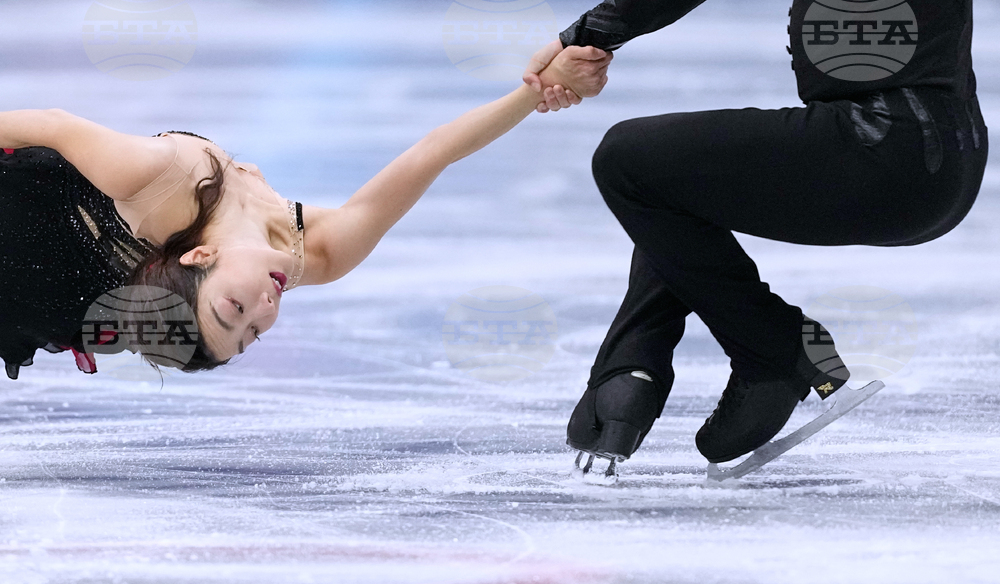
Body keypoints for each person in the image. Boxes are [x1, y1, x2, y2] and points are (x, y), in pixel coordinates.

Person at [522, 0, 988, 466]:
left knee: (627, 161)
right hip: (943, 159)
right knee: (681, 173)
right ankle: (630, 374)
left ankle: (774, 350)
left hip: (882, 149)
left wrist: (580, 39)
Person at [0, 46, 613, 381]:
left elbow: (48, 127)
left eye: (233, 310)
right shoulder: (318, 255)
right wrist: (534, 89)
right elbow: (434, 154)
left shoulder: (158, 181)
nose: (264, 310)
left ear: (201, 257)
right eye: (254, 333)